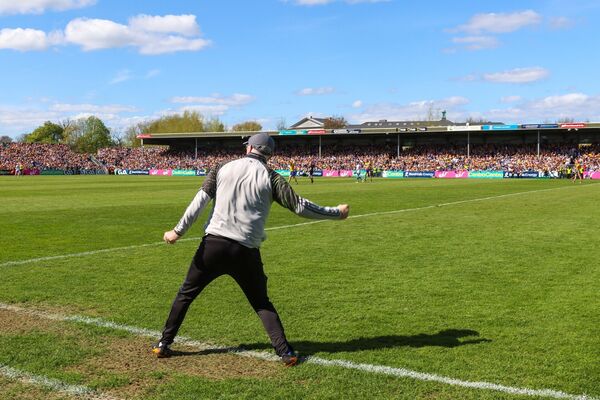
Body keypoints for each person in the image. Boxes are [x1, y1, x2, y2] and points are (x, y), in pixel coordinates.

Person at [154, 133, 350, 366]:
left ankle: (164, 344)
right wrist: (335, 212)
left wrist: (177, 231)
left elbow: (200, 200)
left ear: (250, 148)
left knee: (186, 295)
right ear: (268, 153)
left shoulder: (222, 167)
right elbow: (299, 207)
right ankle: (285, 352)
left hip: (213, 245)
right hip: (245, 250)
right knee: (260, 302)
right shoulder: (271, 176)